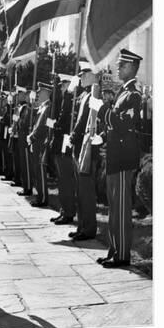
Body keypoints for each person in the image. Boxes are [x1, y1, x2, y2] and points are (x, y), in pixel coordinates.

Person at [90, 48, 143, 268]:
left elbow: (122, 125)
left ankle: (122, 255)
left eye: (122, 65)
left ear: (131, 67)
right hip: (115, 157)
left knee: (121, 209)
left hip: (123, 160)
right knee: (113, 208)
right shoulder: (123, 92)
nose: (118, 68)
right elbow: (114, 128)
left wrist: (102, 109)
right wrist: (102, 138)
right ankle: (114, 250)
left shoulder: (134, 95)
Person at [68, 63, 100, 241]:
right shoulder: (85, 94)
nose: (80, 77)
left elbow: (86, 122)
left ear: (91, 74)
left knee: (86, 192)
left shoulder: (95, 94)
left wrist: (74, 134)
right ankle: (81, 226)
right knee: (80, 191)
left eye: (83, 74)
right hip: (79, 147)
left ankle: (88, 229)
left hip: (87, 149)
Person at [49, 75, 77, 225]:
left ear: (69, 85)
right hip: (60, 143)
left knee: (66, 180)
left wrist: (55, 125)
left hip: (65, 145)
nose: (60, 88)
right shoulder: (63, 100)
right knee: (61, 180)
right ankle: (64, 210)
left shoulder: (70, 100)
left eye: (63, 86)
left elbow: (64, 119)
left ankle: (69, 212)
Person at [27, 82, 52, 207]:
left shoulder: (48, 107)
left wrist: (33, 136)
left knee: (40, 171)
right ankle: (39, 196)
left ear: (47, 93)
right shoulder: (42, 107)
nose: (38, 93)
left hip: (41, 142)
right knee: (36, 171)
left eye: (40, 92)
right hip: (37, 142)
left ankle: (43, 199)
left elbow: (42, 126)